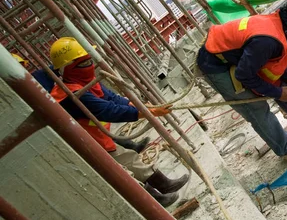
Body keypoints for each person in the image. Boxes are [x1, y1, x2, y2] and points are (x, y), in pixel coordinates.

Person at [47, 37, 189, 207]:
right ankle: (154, 202)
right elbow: (108, 110)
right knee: (121, 173)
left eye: (89, 60)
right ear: (67, 68)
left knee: (128, 158)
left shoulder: (83, 82)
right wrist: (147, 113)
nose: (89, 65)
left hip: (97, 136)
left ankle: (164, 185)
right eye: (83, 63)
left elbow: (111, 98)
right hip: (83, 143)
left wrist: (143, 107)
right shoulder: (71, 94)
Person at [196, 0, 287, 163]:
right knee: (255, 106)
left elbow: (278, 65)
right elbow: (244, 75)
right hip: (216, 63)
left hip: (242, 59)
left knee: (285, 87)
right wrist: (277, 93)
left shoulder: (282, 25)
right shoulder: (267, 40)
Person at [11, 53, 149, 153]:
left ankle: (130, 146)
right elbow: (105, 109)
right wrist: (140, 112)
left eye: (22, 65)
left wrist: (134, 106)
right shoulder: (31, 86)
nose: (22, 70)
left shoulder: (42, 75)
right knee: (100, 139)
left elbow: (108, 98)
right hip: (67, 115)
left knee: (101, 130)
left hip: (74, 112)